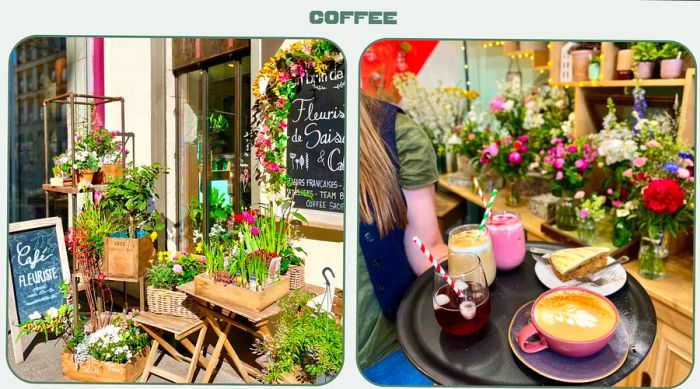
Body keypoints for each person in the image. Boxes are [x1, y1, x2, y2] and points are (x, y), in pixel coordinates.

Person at [358, 95, 449, 385]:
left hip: (381, 349)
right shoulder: (400, 133)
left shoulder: (398, 136)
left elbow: (426, 249)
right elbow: (428, 252)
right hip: (373, 350)